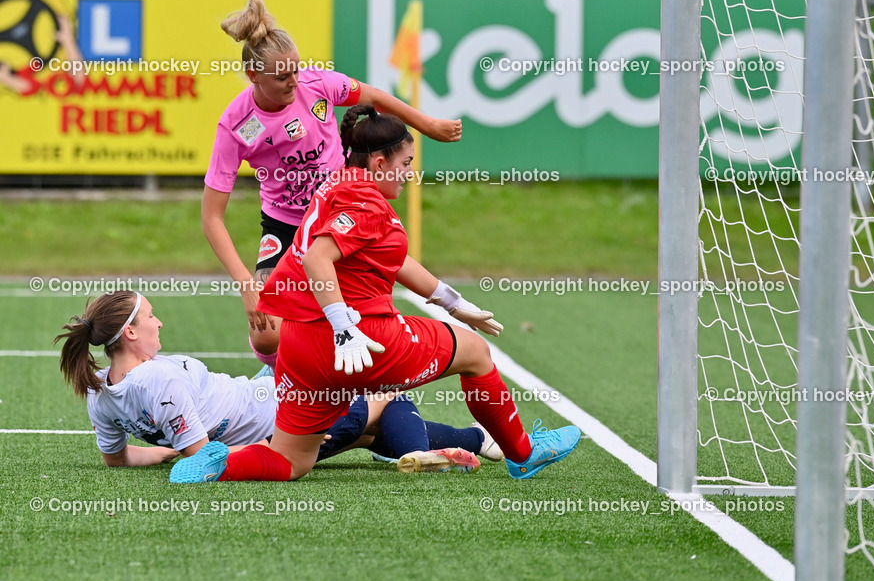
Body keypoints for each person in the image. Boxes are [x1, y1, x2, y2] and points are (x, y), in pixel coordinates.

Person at [170, 106, 581, 484]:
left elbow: (392, 258)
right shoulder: (366, 201)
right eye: (405, 163)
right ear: (379, 162)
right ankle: (523, 454)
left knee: (292, 461)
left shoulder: (337, 182)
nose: (409, 173)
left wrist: (454, 303)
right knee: (475, 353)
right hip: (358, 341)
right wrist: (343, 326)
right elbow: (317, 259)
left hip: (300, 346)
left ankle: (220, 465)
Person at [203, 0, 462, 368]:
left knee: (365, 308)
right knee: (267, 331)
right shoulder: (237, 125)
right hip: (285, 225)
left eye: (297, 70)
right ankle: (285, 380)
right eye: (282, 77)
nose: (294, 82)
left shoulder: (317, 84)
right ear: (254, 75)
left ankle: (374, 389)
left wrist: (429, 125)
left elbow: (375, 96)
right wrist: (246, 284)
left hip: (341, 210)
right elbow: (211, 217)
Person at [54, 291, 504, 473]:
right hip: (288, 419)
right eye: (151, 317)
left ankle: (473, 439)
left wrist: (171, 448)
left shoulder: (100, 391)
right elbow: (204, 457)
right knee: (386, 396)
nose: (160, 322)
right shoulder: (159, 378)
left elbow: (118, 459)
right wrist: (271, 446)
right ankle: (430, 449)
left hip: (269, 393)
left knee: (367, 430)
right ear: (130, 334)